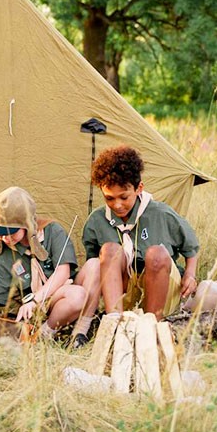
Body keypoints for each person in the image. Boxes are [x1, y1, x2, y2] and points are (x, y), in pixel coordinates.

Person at [72, 145, 200, 343]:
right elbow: (95, 268)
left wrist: (190, 274)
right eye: (109, 198)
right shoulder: (97, 221)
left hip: (161, 288)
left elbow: (191, 249)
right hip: (124, 292)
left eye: (124, 197)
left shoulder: (161, 214)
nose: (117, 205)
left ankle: (151, 329)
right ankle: (116, 325)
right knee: (109, 250)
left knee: (156, 253)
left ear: (139, 188)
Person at [0, 186, 87, 344]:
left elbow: (63, 272)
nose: (4, 238)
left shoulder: (53, 232)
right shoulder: (5, 253)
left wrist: (35, 300)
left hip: (56, 297)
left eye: (10, 232)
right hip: (31, 311)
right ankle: (33, 337)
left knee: (78, 295)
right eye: (0, 233)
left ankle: (45, 334)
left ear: (26, 225)